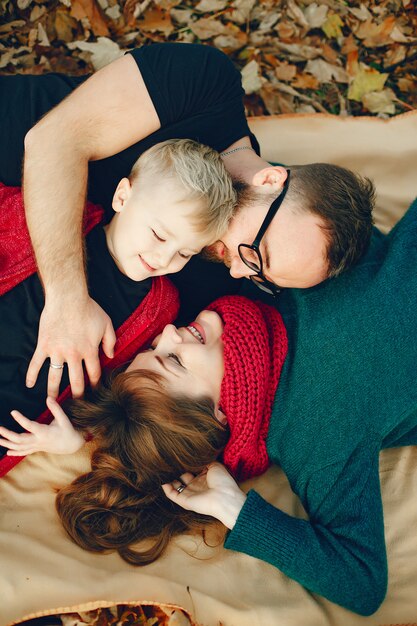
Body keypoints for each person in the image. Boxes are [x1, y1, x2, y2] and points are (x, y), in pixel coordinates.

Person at [2, 187, 416, 616]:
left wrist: (85, 435)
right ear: (219, 412)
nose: (168, 333)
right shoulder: (318, 430)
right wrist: (234, 510)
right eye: (174, 360)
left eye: (157, 347)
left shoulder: (249, 309)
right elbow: (361, 582)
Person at [0, 42, 375, 399]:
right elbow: (53, 141)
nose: (238, 272)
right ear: (271, 180)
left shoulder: (211, 270)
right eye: (259, 255)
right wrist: (67, 301)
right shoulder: (207, 85)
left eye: (262, 278)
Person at [0, 137, 236, 459]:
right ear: (123, 197)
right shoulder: (63, 219)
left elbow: (124, 392)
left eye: (184, 252)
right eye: (159, 235)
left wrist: (74, 438)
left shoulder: (159, 309)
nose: (165, 259)